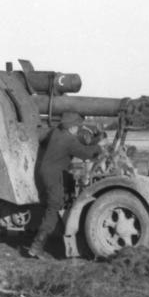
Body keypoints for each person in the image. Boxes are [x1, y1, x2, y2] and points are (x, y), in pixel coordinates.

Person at [28, 111, 106, 259]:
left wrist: (94, 140)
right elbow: (85, 153)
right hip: (53, 175)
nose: (78, 129)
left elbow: (78, 143)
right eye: (77, 126)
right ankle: (36, 247)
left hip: (46, 171)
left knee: (54, 203)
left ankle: (53, 233)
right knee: (54, 206)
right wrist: (100, 146)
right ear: (72, 128)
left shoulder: (57, 132)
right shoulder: (68, 141)